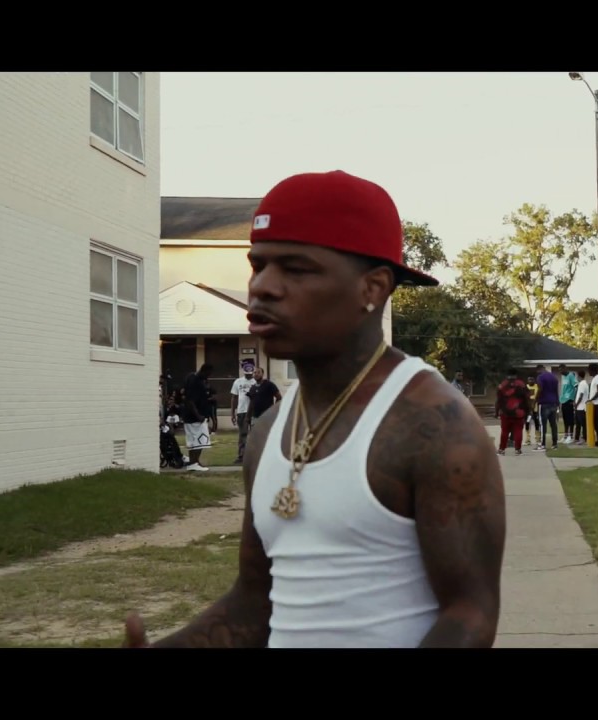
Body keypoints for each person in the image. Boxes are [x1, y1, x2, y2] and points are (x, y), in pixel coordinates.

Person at [122, 169, 506, 648]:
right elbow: (256, 603)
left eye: (296, 269)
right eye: (258, 265)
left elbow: (471, 614)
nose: (262, 287)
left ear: (372, 288)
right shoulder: (268, 433)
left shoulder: (433, 425)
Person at [181, 363, 215, 471]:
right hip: (194, 417)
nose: (208, 377)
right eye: (208, 374)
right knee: (199, 440)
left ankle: (194, 462)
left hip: (192, 416)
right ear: (204, 371)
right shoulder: (195, 381)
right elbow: (190, 400)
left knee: (194, 440)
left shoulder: (191, 377)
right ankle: (193, 463)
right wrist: (198, 415)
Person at [495, 369, 529, 456]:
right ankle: (518, 449)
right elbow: (526, 399)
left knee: (505, 431)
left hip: (505, 412)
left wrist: (496, 412)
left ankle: (502, 449)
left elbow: (498, 400)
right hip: (519, 412)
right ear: (516, 375)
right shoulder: (521, 384)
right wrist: (527, 411)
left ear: (507, 375)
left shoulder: (502, 385)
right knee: (518, 431)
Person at [231, 361, 257, 464]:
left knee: (255, 434)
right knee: (243, 434)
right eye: (247, 374)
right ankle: (241, 456)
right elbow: (234, 397)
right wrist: (232, 413)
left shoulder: (255, 382)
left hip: (254, 411)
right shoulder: (238, 382)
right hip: (242, 411)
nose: (249, 375)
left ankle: (255, 456)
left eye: (250, 374)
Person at [534, 364, 560, 451]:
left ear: (539, 369)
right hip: (553, 402)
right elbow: (556, 391)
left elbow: (540, 389)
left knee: (543, 425)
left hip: (544, 402)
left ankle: (542, 444)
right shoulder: (554, 377)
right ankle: (555, 444)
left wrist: (535, 400)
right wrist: (557, 402)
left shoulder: (540, 377)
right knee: (553, 425)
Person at [558, 364, 577, 445]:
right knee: (565, 419)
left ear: (565, 368)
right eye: (559, 370)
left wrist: (574, 398)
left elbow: (576, 386)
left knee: (570, 419)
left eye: (561, 370)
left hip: (569, 400)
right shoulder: (563, 377)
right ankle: (565, 436)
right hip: (563, 400)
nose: (560, 372)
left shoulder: (571, 376)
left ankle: (571, 436)